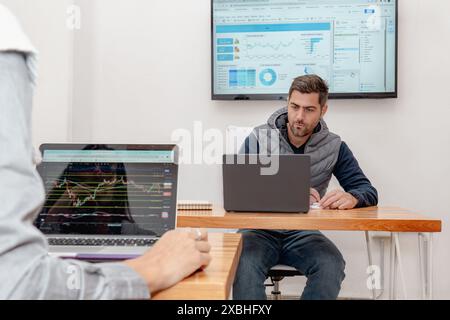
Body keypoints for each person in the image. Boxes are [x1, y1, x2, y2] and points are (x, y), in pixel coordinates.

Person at [0, 4, 211, 299]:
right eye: (85, 177)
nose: (96, 180)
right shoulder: (6, 43)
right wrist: (156, 266)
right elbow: (19, 282)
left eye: (104, 177)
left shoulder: (136, 234)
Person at [233, 74, 378, 300]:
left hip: (302, 232)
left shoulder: (335, 146)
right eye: (294, 107)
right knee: (242, 263)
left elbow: (367, 190)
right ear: (287, 104)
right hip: (258, 230)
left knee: (331, 264)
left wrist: (354, 197)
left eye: (309, 109)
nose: (299, 117)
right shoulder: (259, 137)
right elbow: (239, 189)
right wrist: (290, 193)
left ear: (323, 110)